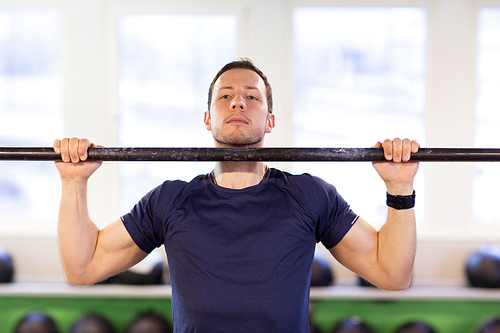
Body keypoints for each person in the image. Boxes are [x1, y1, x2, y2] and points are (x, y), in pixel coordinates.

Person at [53, 58, 420, 332]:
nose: (237, 103)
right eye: (225, 96)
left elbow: (392, 274)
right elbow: (82, 267)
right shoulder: (169, 201)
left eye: (252, 97)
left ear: (270, 120)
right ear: (208, 118)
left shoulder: (309, 196)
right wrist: (73, 182)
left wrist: (399, 188)